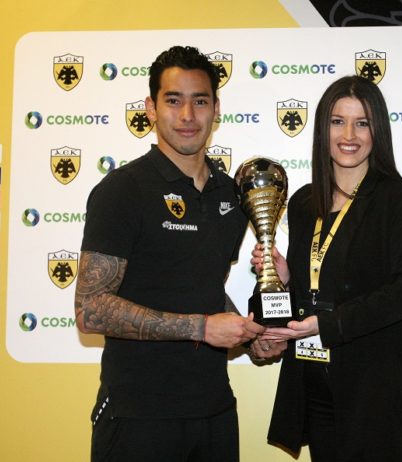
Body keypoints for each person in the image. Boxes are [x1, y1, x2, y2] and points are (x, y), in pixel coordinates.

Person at [74, 45, 276, 462]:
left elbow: (203, 287)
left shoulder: (230, 195)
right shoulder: (123, 190)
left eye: (200, 101)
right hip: (138, 416)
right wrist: (202, 327)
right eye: (173, 100)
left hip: (214, 412)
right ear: (151, 108)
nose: (187, 115)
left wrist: (249, 337)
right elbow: (91, 309)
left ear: (216, 109)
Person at [251, 75, 402, 462]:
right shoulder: (304, 203)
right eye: (338, 121)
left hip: (381, 393)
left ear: (377, 131)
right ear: (323, 128)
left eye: (361, 123)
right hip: (319, 390)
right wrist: (284, 281)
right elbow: (317, 286)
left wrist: (328, 324)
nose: (348, 135)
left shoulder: (395, 200)